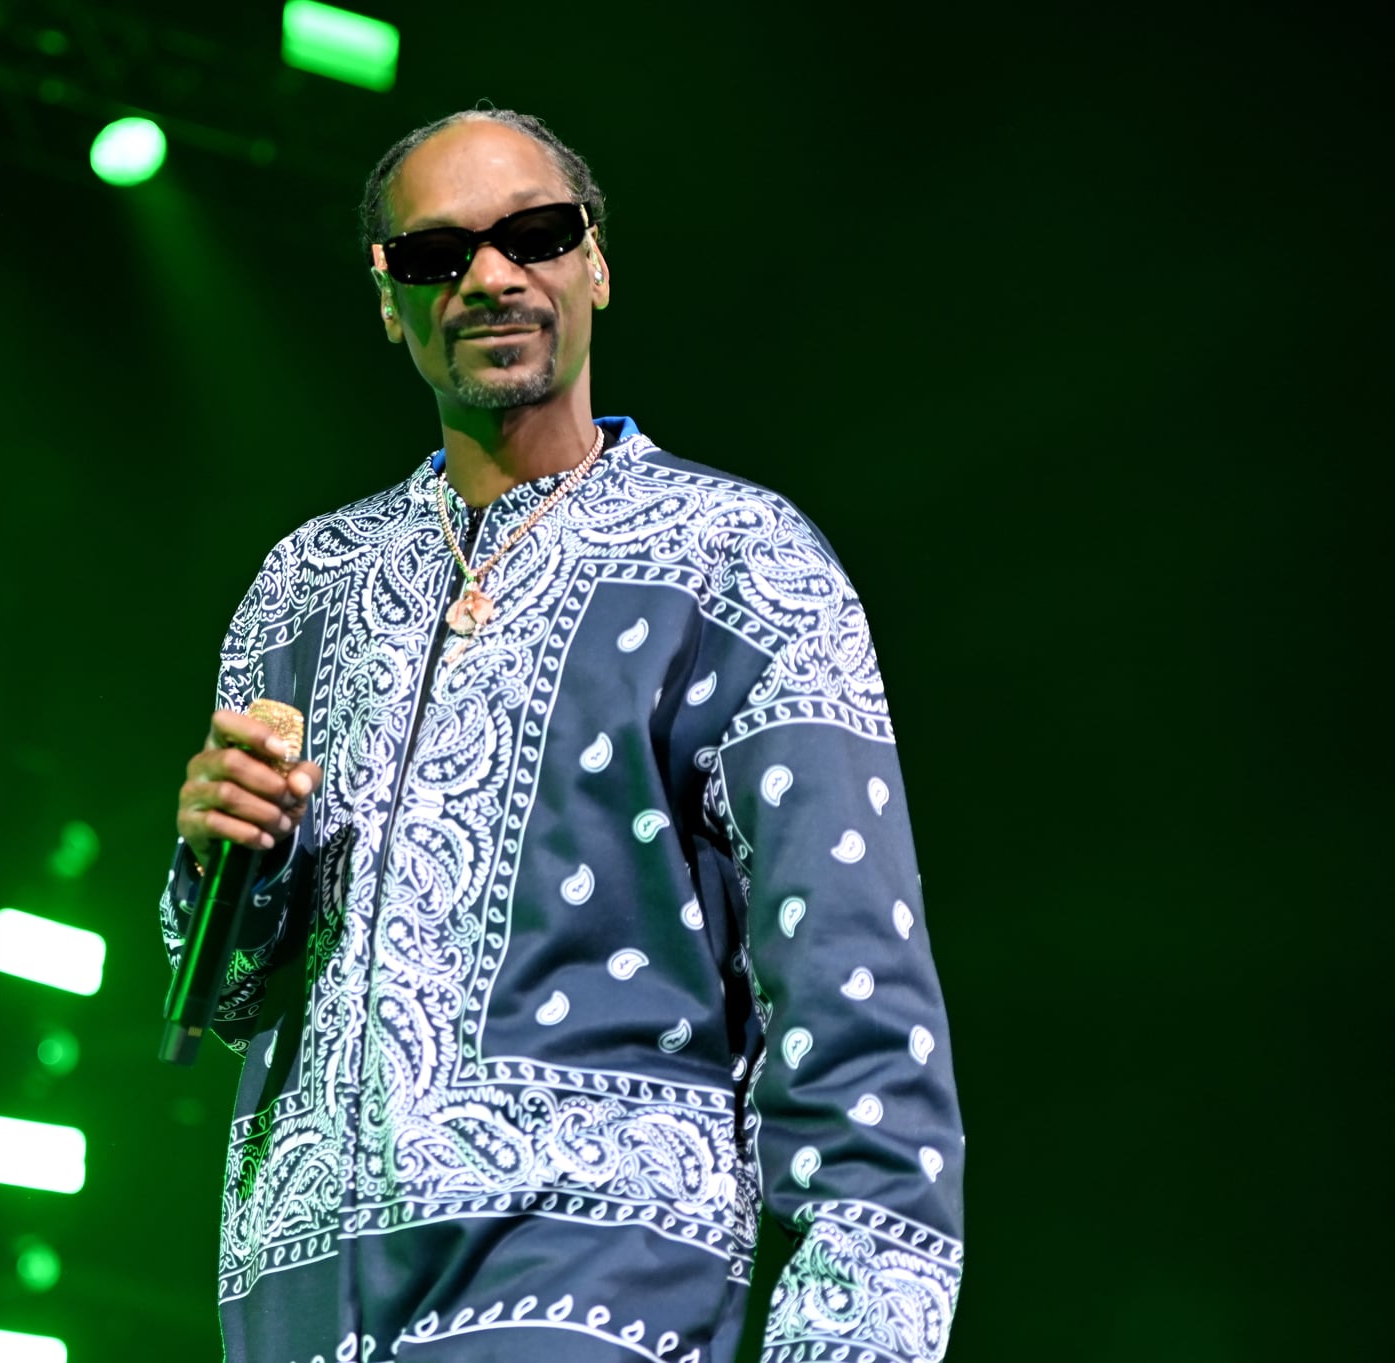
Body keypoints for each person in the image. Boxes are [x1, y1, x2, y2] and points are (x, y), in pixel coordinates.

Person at [163, 109, 964, 1363]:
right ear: (386, 299)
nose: (489, 276)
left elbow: (856, 998)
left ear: (594, 261)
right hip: (300, 1295)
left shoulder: (738, 561)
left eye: (532, 235)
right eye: (435, 256)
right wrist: (222, 856)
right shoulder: (302, 583)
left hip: (593, 1283)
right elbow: (223, 997)